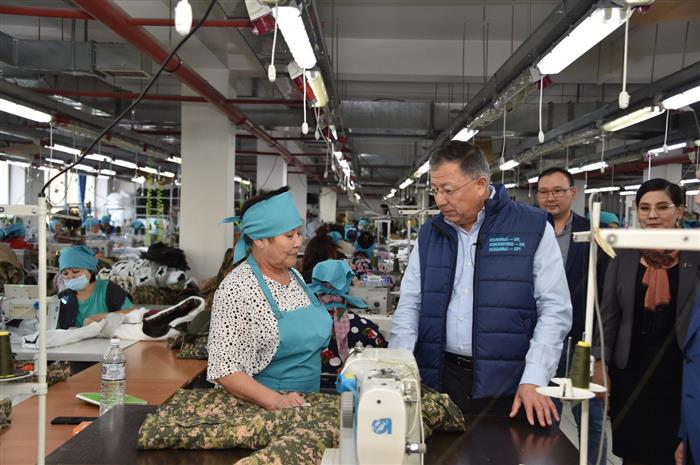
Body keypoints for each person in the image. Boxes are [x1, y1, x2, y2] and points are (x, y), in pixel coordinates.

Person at [389, 141, 572, 426]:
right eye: (435, 190)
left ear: (480, 184)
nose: (440, 200)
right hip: (440, 379)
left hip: (512, 383)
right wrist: (397, 367)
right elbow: (411, 304)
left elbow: (555, 309)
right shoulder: (430, 234)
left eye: (448, 190)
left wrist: (535, 377)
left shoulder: (531, 227)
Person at [593, 178, 700, 465]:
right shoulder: (625, 251)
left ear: (680, 211)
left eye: (662, 207)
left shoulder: (695, 252)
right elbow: (609, 313)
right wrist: (600, 363)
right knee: (633, 452)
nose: (652, 215)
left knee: (676, 453)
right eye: (644, 207)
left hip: (680, 371)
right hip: (631, 368)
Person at [207, 187, 332, 410]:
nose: (298, 242)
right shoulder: (238, 289)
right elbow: (225, 370)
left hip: (307, 400)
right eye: (289, 236)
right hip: (265, 409)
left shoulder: (294, 276)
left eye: (299, 234)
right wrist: (276, 400)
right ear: (259, 239)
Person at [536, 167, 608, 462]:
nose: (550, 198)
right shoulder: (530, 230)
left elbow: (603, 294)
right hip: (541, 341)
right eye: (544, 192)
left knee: (590, 417)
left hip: (581, 342)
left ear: (573, 193)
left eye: (558, 191)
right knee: (542, 416)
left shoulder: (593, 233)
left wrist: (600, 354)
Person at [308, 259, 387, 379]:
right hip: (355, 388)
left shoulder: (303, 326)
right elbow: (385, 360)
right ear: (347, 287)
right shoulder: (366, 328)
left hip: (311, 388)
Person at [56, 245, 134, 329]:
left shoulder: (109, 290)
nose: (70, 276)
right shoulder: (63, 298)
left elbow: (133, 313)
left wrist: (101, 317)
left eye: (75, 271)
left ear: (90, 271)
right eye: (65, 274)